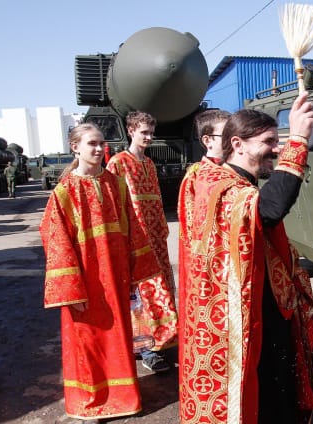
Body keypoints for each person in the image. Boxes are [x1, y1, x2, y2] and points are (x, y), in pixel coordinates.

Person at [179, 93, 313, 423]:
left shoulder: (233, 180)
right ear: (238, 144)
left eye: (278, 142)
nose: (276, 149)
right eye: (269, 142)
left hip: (261, 304)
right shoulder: (221, 185)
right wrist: (297, 141)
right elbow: (270, 209)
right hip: (240, 315)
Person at [40, 123, 162, 422]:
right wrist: (71, 290)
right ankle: (90, 401)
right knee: (87, 341)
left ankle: (122, 397)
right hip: (84, 280)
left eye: (101, 143)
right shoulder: (64, 192)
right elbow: (56, 243)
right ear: (75, 147)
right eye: (91, 143)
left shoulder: (116, 184)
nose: (98, 149)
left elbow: (133, 230)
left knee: (117, 337)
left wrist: (135, 274)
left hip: (116, 276)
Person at [106, 111, 178, 373]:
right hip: (134, 242)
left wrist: (162, 232)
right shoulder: (118, 163)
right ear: (131, 131)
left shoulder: (149, 163)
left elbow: (156, 201)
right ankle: (145, 349)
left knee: (159, 291)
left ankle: (161, 339)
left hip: (156, 240)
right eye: (144, 132)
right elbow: (113, 206)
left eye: (151, 132)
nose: (149, 137)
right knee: (139, 296)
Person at [177, 109, 230, 321]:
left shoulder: (233, 169)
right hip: (211, 262)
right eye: (226, 134)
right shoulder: (196, 175)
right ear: (207, 140)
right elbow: (193, 231)